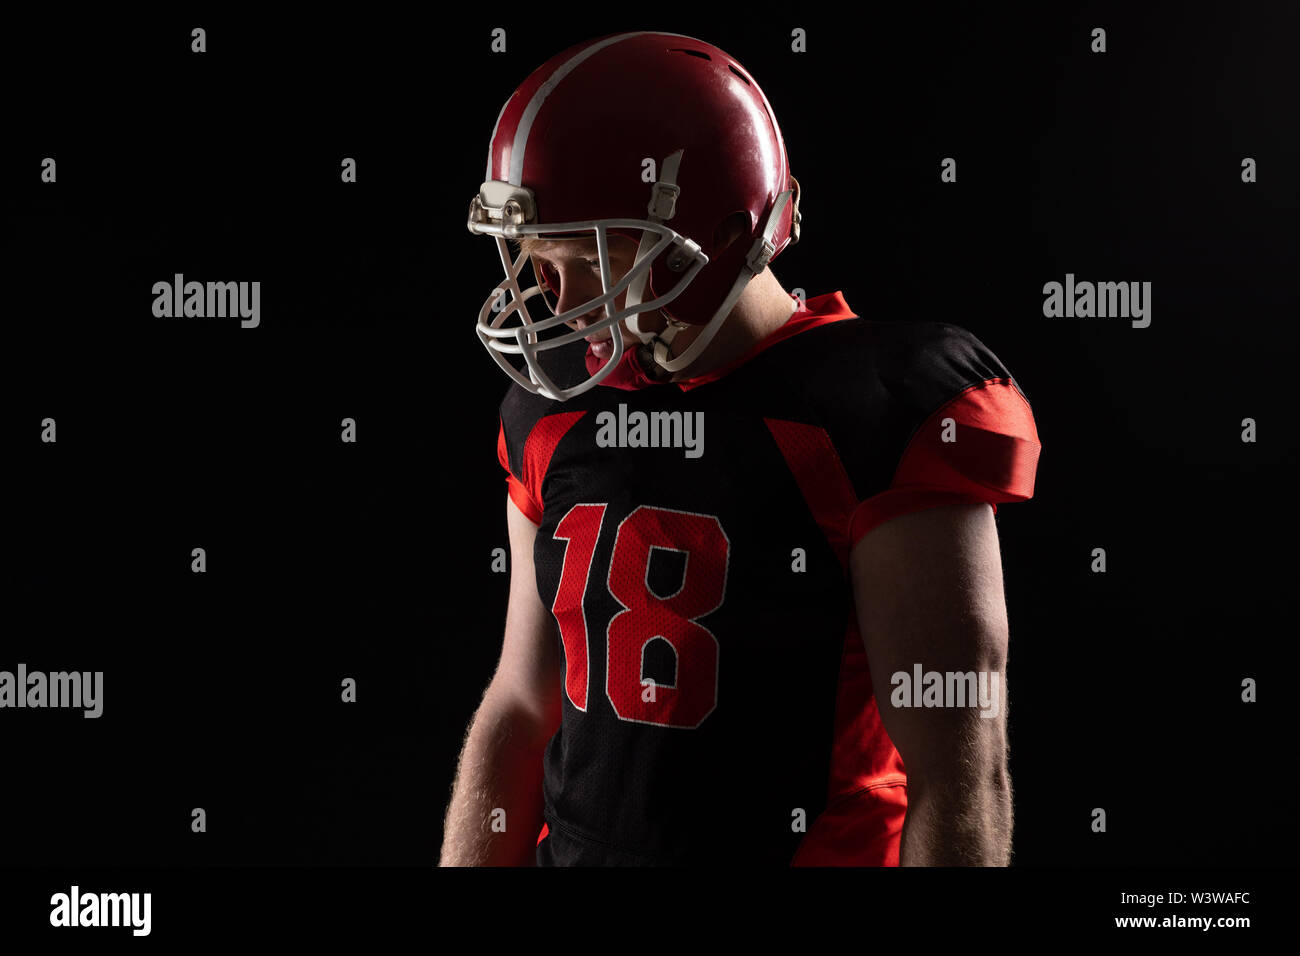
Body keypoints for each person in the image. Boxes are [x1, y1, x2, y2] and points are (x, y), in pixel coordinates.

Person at [441, 31, 1041, 866]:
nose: (556, 301)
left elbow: (959, 773)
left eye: (585, 258)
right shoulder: (552, 414)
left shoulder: (878, 411)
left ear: (718, 237)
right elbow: (519, 707)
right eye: (535, 261)